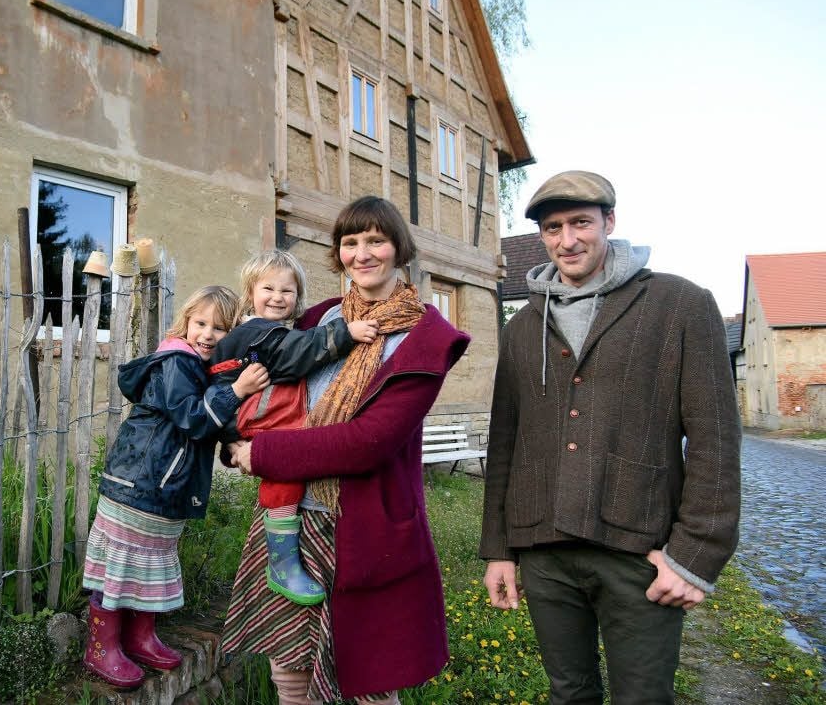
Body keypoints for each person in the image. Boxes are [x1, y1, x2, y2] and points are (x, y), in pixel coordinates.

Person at [480, 171, 741, 704]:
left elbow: (715, 438)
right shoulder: (523, 326)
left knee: (642, 697)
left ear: (610, 223)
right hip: (543, 549)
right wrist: (499, 549)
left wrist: (695, 555)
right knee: (568, 694)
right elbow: (505, 440)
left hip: (637, 548)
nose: (567, 240)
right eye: (554, 228)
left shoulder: (679, 304)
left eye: (581, 223)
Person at [221, 196, 470, 705]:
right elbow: (257, 382)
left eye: (375, 240)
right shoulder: (317, 318)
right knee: (290, 673)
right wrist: (226, 431)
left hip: (368, 529)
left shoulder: (426, 339)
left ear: (399, 247)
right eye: (350, 242)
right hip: (295, 519)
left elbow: (368, 443)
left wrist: (259, 455)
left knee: (368, 685)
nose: (362, 253)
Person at [81, 285, 269, 688]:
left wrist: (236, 440)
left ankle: (139, 637)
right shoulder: (176, 364)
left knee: (147, 566)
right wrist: (237, 391)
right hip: (138, 485)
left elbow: (214, 425)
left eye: (220, 329)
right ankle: (101, 647)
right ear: (186, 322)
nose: (208, 334)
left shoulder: (202, 370)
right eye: (201, 323)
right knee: (121, 567)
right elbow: (192, 418)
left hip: (162, 490)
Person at [209, 249, 379, 606]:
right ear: (250, 294)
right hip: (258, 416)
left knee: (285, 469)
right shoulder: (260, 334)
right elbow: (294, 354)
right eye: (268, 288)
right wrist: (344, 333)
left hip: (246, 416)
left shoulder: (261, 333)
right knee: (283, 471)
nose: (277, 297)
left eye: (287, 291)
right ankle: (282, 563)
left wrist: (231, 440)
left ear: (297, 298)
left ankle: (284, 555)